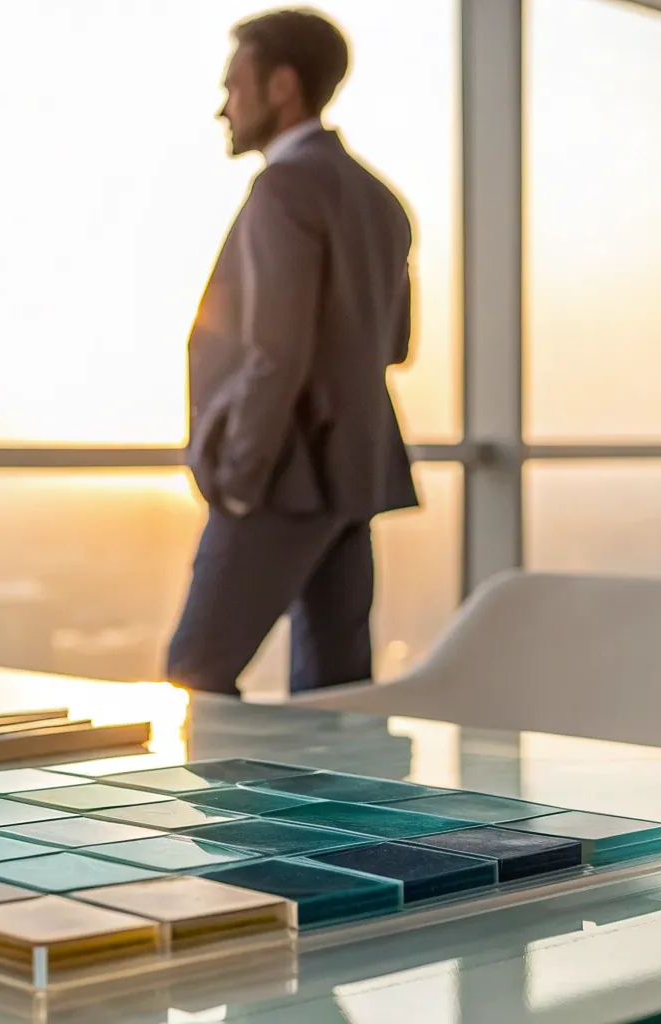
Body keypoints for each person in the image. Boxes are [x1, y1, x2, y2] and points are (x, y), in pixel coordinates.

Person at [165, 7, 417, 696]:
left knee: (196, 676)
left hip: (283, 472)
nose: (223, 107)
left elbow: (275, 350)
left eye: (233, 84)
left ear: (282, 86)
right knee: (335, 701)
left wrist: (242, 475)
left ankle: (223, 812)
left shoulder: (285, 187)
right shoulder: (380, 199)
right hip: (353, 473)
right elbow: (393, 344)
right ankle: (339, 813)